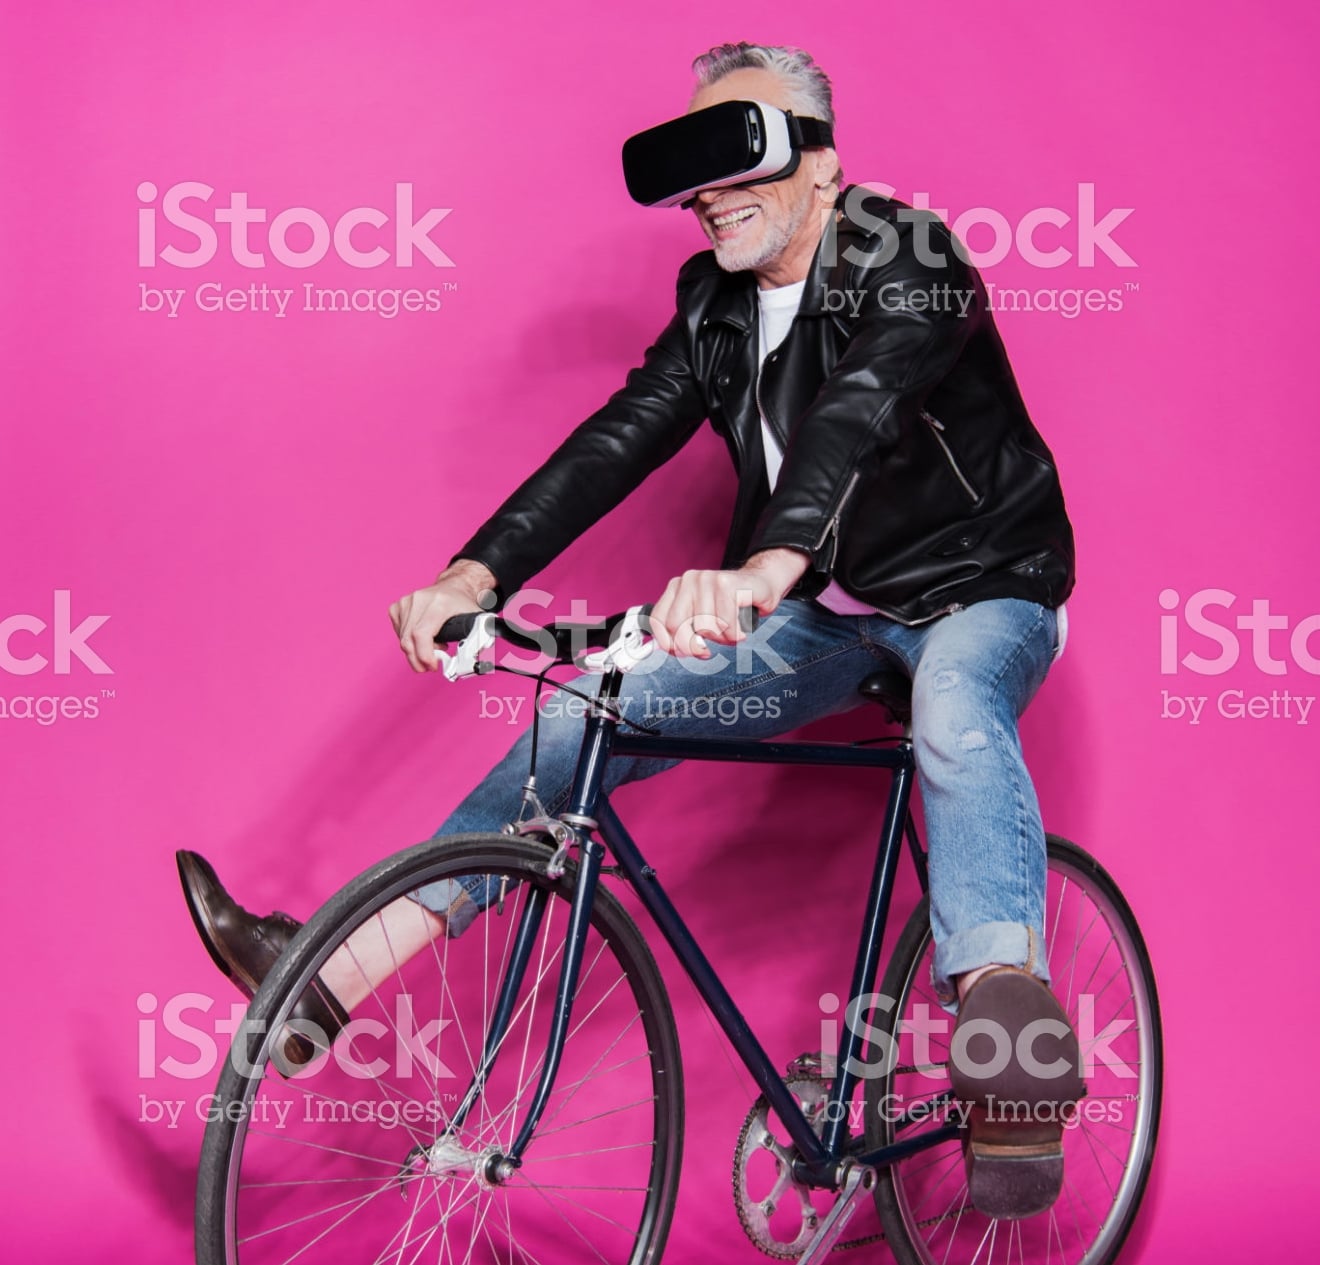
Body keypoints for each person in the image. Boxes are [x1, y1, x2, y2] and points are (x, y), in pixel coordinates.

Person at [178, 41, 1084, 1219]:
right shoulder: (712, 303)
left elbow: (859, 410)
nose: (708, 189)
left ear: (823, 165)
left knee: (957, 712)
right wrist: (474, 571)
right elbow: (615, 440)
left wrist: (763, 563)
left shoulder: (910, 257)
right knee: (580, 712)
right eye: (688, 166)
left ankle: (1010, 1054)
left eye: (738, 152)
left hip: (983, 584)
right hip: (825, 614)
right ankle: (322, 981)